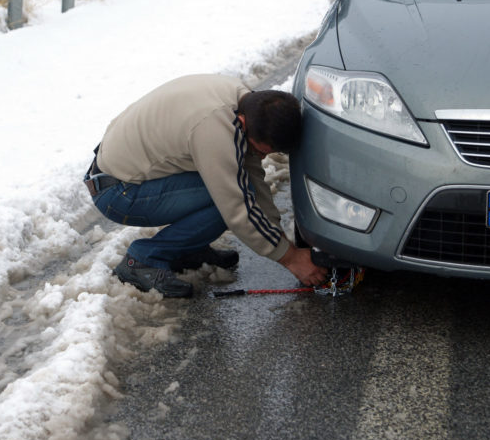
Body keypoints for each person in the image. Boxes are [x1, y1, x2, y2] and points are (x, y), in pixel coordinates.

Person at [83, 74, 328, 298]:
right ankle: (142, 260)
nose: (262, 157)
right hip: (118, 192)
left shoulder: (248, 104)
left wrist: (282, 239)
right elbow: (237, 206)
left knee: (237, 187)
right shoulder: (215, 128)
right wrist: (290, 258)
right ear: (243, 123)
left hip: (128, 173)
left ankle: (186, 249)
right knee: (227, 198)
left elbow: (251, 173)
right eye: (261, 150)